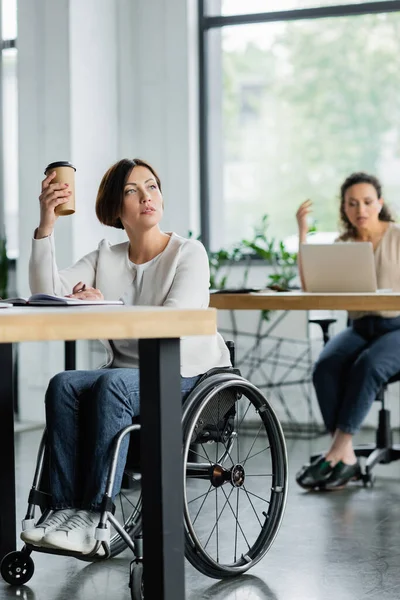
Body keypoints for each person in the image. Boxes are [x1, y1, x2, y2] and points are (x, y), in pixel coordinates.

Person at [21, 158, 231, 553]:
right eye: (132, 191)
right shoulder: (106, 256)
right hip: (126, 377)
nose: (146, 197)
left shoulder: (189, 253)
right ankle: (65, 511)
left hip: (184, 372)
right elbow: (45, 293)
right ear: (116, 209)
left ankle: (94, 512)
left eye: (151, 186)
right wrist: (47, 224)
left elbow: (173, 323)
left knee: (112, 385)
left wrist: (106, 306)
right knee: (64, 383)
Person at [295, 172, 400, 490]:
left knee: (367, 366)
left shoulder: (397, 236)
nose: (361, 209)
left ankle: (336, 453)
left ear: (379, 203)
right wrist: (302, 232)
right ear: (344, 208)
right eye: (352, 204)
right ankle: (348, 456)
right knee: (324, 367)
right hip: (359, 327)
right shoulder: (343, 245)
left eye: (368, 202)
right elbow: (310, 287)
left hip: (397, 327)